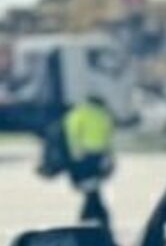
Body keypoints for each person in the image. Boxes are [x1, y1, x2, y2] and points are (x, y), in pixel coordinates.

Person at [44, 91, 118, 234]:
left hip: (83, 155)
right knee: (93, 188)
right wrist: (109, 156)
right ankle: (96, 215)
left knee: (91, 189)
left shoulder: (78, 113)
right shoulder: (104, 115)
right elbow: (109, 136)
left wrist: (74, 152)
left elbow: (72, 133)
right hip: (97, 156)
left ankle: (92, 215)